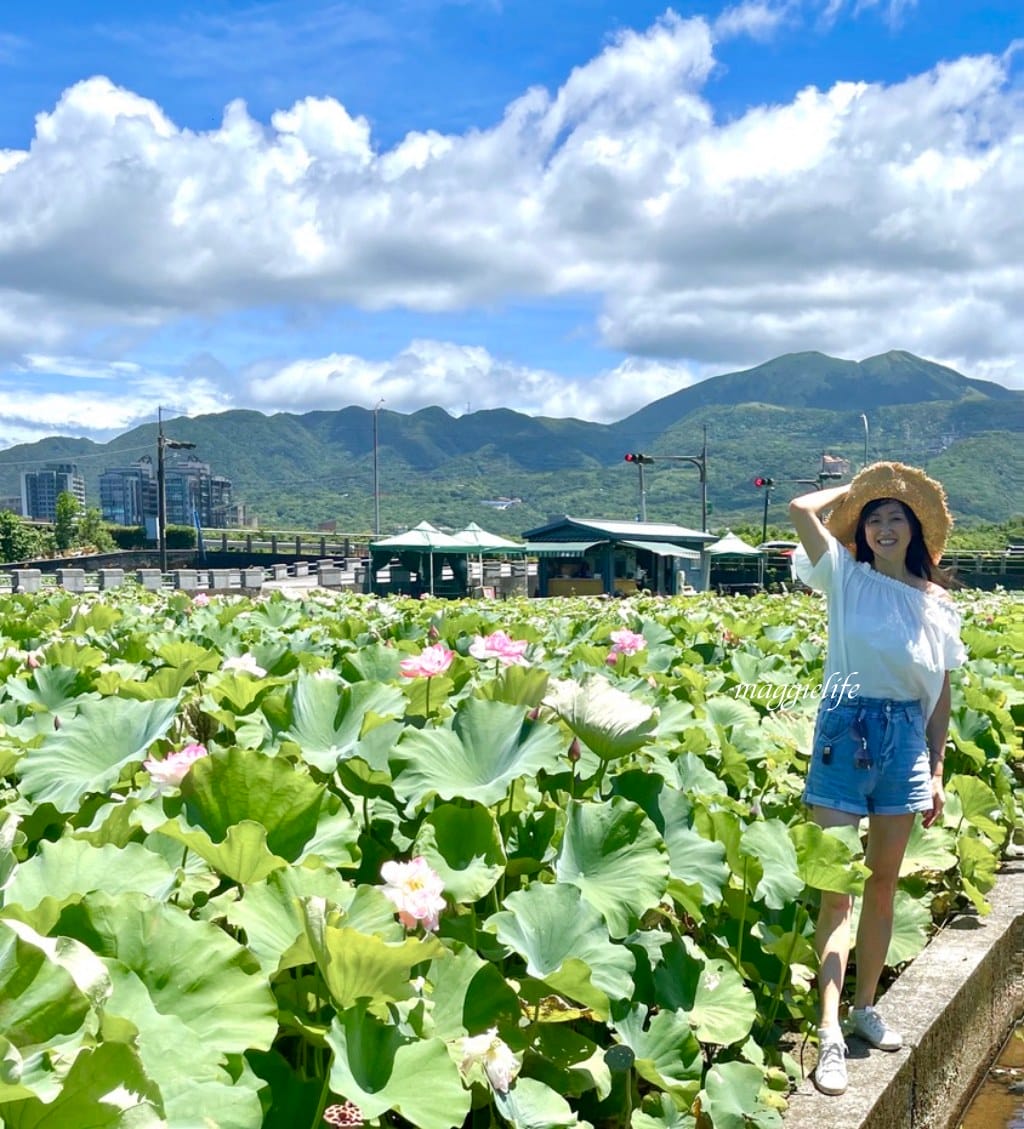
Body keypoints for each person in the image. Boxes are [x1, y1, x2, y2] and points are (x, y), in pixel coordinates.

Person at [788, 462, 966, 1097]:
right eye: (874, 518)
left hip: (906, 744)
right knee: (838, 890)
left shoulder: (937, 604)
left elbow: (940, 697)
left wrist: (938, 768)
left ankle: (866, 1007)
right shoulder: (844, 576)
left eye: (897, 517)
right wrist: (856, 490)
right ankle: (831, 1029)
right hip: (844, 730)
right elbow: (800, 509)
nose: (885, 527)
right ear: (860, 531)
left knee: (884, 885)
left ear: (916, 530)